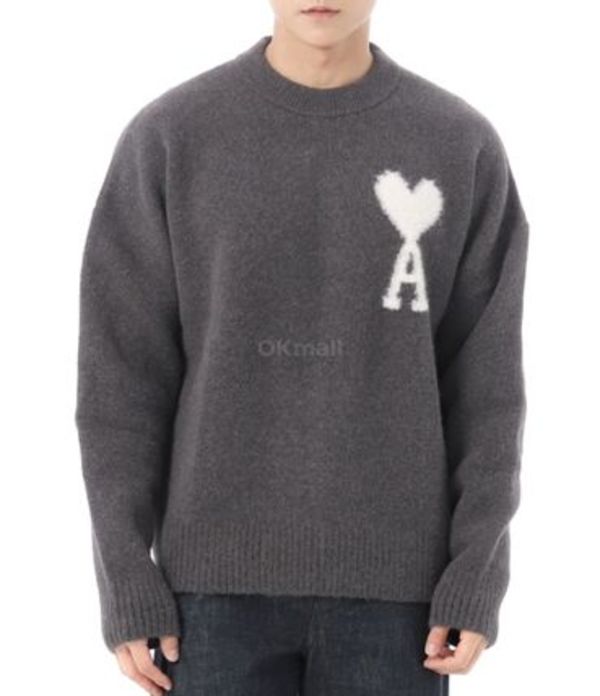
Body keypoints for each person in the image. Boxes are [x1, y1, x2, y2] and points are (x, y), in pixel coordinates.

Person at [75, 1, 529, 694]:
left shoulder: (459, 144)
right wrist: (125, 574)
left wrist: (477, 572)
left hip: (402, 608)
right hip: (207, 603)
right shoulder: (171, 137)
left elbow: (487, 391)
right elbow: (120, 381)